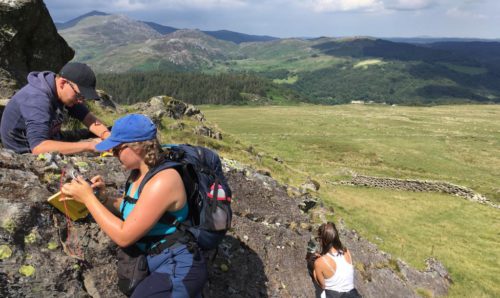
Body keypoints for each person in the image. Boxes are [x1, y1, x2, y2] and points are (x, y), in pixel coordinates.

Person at [61, 114, 207, 297]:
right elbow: (137, 209)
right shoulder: (139, 174)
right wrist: (104, 199)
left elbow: (124, 236)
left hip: (178, 263)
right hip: (155, 258)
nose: (113, 154)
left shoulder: (164, 180)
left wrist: (88, 198)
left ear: (137, 146)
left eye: (117, 149)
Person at [0, 62, 110, 154]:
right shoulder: (37, 100)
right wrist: (89, 146)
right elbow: (39, 147)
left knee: (107, 131)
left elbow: (87, 117)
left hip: (52, 137)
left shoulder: (60, 89)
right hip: (25, 153)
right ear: (62, 83)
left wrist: (107, 135)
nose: (80, 101)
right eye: (79, 95)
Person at [313, 222, 361, 298]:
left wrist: (315, 272)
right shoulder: (346, 251)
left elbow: (322, 285)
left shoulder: (319, 262)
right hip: (353, 294)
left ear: (323, 241)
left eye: (319, 239)